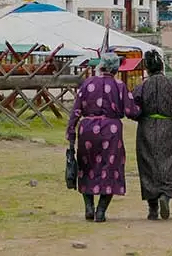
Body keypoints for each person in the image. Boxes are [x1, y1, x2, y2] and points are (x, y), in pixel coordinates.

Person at [66, 53, 140, 222]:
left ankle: (88, 207)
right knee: (110, 168)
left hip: (87, 131)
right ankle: (101, 211)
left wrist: (71, 133)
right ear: (115, 68)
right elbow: (131, 111)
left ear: (101, 65)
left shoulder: (87, 83)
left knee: (86, 166)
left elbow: (76, 111)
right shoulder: (120, 86)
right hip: (111, 131)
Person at [131, 49, 172, 221]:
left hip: (146, 129)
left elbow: (132, 110)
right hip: (168, 128)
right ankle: (165, 197)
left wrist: (141, 115)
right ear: (162, 66)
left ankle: (152, 209)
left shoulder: (142, 86)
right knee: (169, 165)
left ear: (147, 69)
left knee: (148, 167)